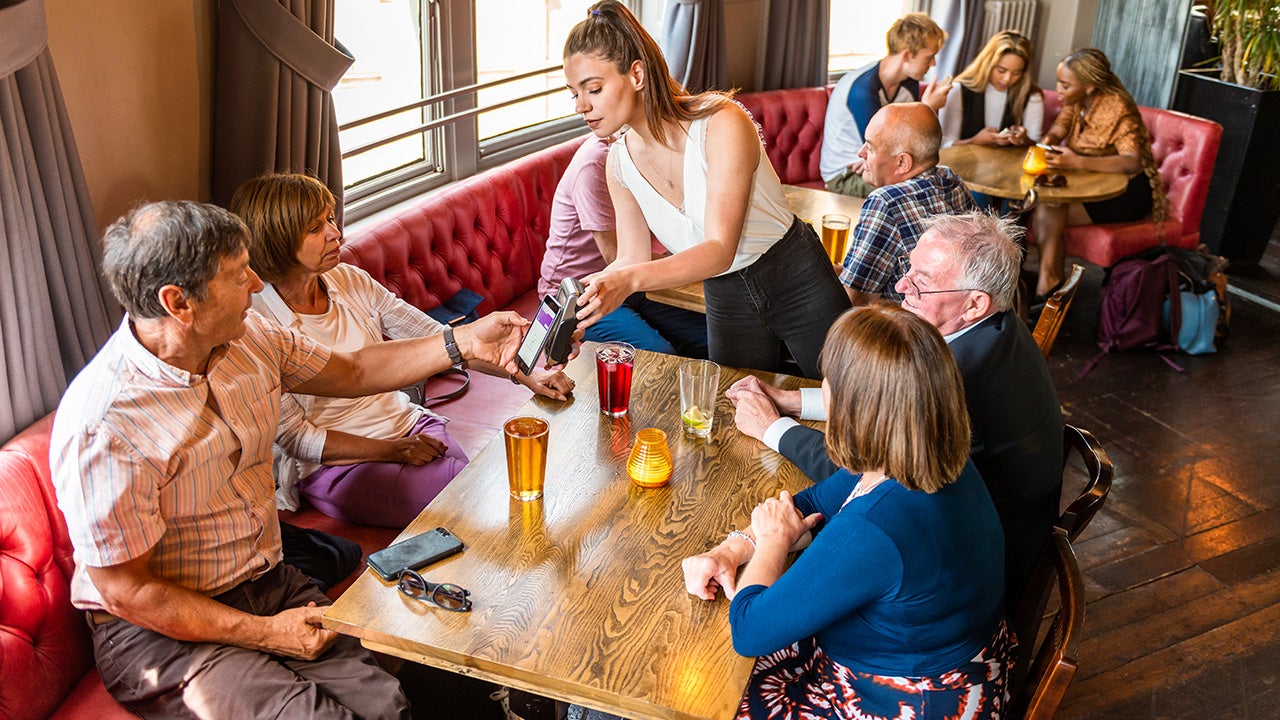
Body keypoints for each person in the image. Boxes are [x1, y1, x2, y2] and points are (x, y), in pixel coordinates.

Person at [50, 200, 526, 719]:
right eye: (237, 275)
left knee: (396, 700)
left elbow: (354, 371)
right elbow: (127, 591)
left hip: (266, 583)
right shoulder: (106, 424)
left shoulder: (250, 337)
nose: (257, 284)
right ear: (178, 303)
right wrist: (265, 633)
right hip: (160, 633)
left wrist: (461, 341)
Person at [683, 305, 1011, 719]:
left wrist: (770, 543)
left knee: (701, 696)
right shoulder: (928, 453)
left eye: (830, 382)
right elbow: (814, 503)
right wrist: (731, 550)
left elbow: (749, 632)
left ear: (858, 409)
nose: (824, 388)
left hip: (899, 700)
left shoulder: (874, 528)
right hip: (944, 662)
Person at [728, 211, 1063, 610]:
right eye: (910, 269)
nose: (901, 286)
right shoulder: (996, 325)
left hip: (965, 578)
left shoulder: (954, 381)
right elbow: (887, 403)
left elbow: (865, 475)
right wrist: (796, 401)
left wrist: (772, 427)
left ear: (975, 303)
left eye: (921, 284)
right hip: (985, 530)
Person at [230, 173, 574, 528]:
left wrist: (528, 375)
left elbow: (438, 341)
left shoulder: (349, 280)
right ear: (277, 240)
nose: (335, 233)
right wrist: (393, 451)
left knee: (502, 493)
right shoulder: (258, 321)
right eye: (315, 228)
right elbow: (296, 438)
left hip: (412, 426)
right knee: (487, 498)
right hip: (340, 466)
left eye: (331, 219)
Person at [562, 0, 850, 379]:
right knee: (734, 410)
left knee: (850, 398)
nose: (581, 106)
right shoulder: (618, 165)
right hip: (726, 295)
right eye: (573, 94)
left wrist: (627, 280)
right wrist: (584, 298)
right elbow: (630, 257)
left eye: (593, 89)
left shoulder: (721, 123)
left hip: (795, 276)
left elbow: (719, 248)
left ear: (636, 75)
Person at [539, 135, 708, 357]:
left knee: (709, 338)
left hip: (634, 286)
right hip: (580, 294)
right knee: (659, 356)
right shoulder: (594, 165)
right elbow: (617, 258)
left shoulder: (649, 152)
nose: (583, 108)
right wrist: (699, 261)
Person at [1032, 47, 1168, 299]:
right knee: (1048, 203)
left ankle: (1049, 284)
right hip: (1089, 184)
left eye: (1065, 85)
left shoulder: (1118, 109)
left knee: (1049, 205)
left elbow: (1131, 161)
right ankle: (1050, 284)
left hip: (1126, 192)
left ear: (1090, 87)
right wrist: (1047, 143)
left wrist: (1077, 162)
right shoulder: (1076, 101)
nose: (1058, 90)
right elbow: (1059, 127)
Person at [838, 102, 977, 305]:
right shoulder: (951, 179)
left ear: (903, 162)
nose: (861, 153)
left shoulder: (886, 202)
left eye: (870, 147)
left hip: (906, 330)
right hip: (959, 319)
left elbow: (853, 299)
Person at [820, 12, 952, 198]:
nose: (933, 63)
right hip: (846, 174)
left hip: (878, 163)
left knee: (938, 183)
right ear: (907, 55)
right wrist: (928, 108)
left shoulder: (909, 82)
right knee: (920, 193)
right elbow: (881, 148)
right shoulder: (862, 90)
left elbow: (909, 147)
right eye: (929, 56)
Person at [940, 29, 1044, 149]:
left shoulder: (1032, 96)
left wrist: (1023, 140)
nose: (1007, 79)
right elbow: (944, 146)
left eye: (1016, 73)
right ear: (987, 64)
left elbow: (1037, 147)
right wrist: (974, 141)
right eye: (1001, 70)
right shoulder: (958, 91)